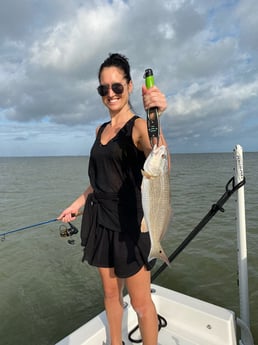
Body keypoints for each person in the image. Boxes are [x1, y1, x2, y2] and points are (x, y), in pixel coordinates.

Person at [58, 53, 168, 345]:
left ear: (130, 86)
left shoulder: (139, 127)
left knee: (141, 304)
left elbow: (160, 160)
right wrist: (77, 204)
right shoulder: (100, 130)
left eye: (117, 86)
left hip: (130, 225)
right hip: (100, 223)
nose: (110, 94)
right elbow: (99, 180)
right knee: (110, 295)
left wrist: (156, 115)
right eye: (103, 89)